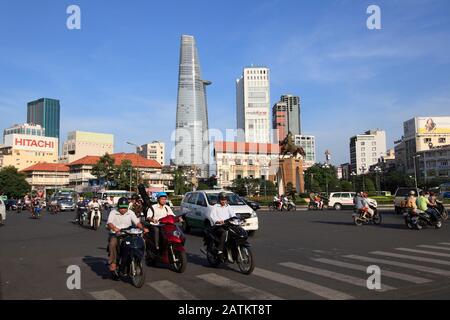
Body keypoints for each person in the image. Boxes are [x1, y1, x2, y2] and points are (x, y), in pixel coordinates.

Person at [106, 197, 147, 273]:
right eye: (121, 208)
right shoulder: (113, 212)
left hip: (128, 232)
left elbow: (137, 222)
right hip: (116, 233)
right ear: (118, 206)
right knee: (113, 243)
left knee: (137, 241)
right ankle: (113, 262)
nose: (123, 210)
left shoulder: (130, 212)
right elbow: (109, 223)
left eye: (125, 208)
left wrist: (143, 228)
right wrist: (114, 228)